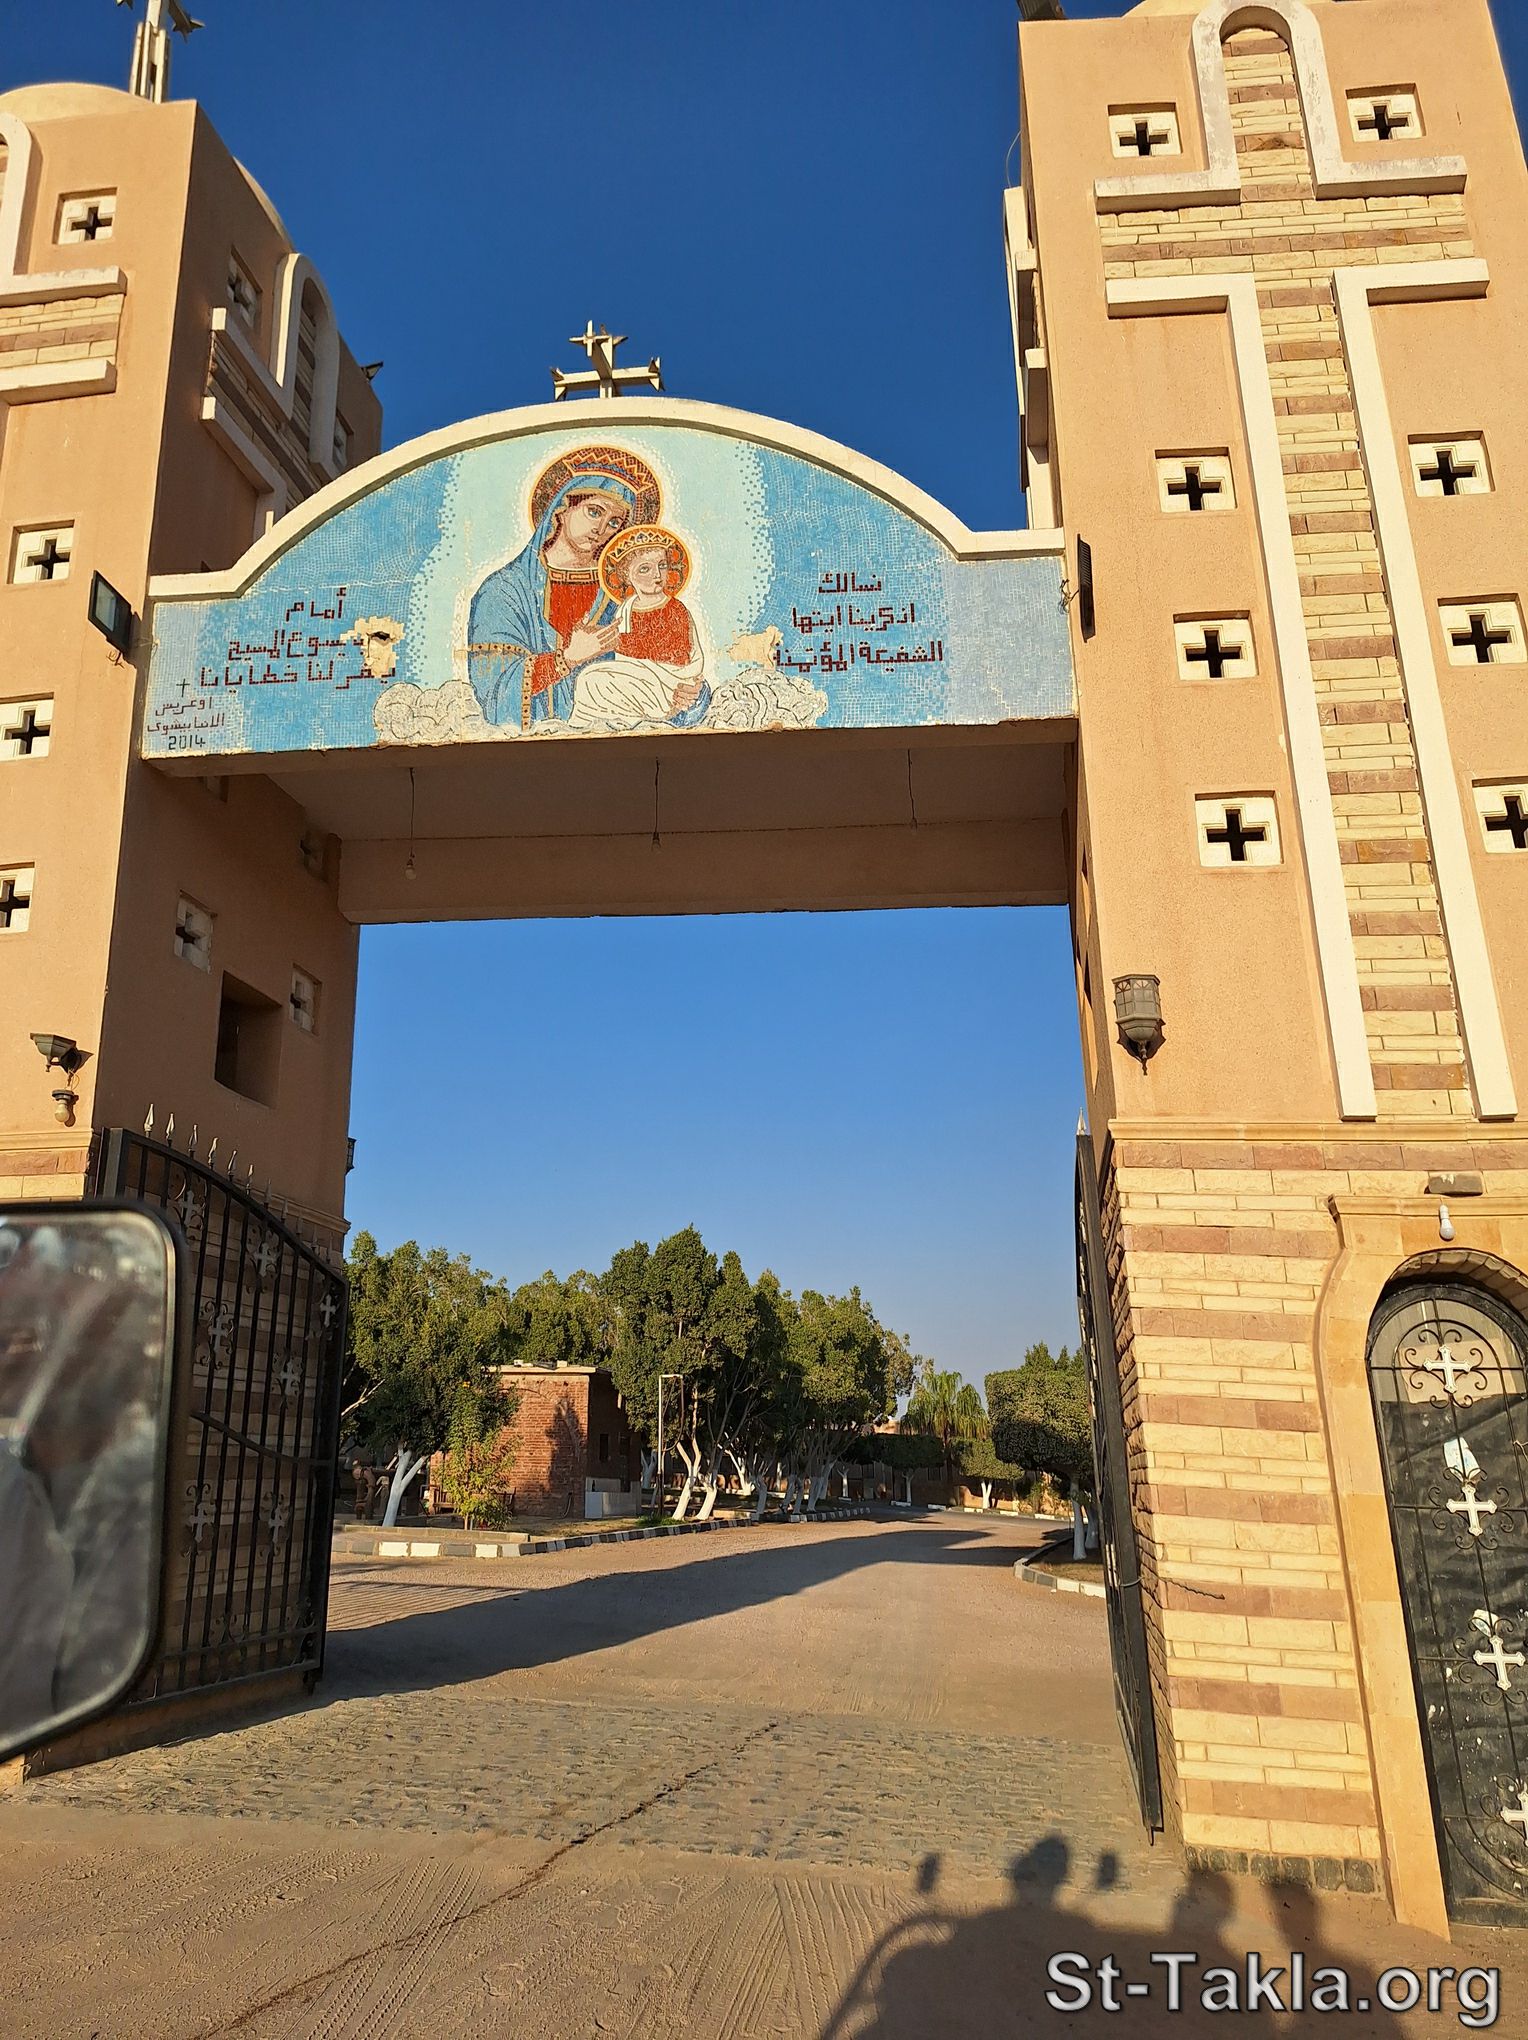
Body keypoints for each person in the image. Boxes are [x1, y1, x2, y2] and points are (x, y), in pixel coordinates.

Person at [465, 445, 659, 731]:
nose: (601, 529)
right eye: (594, 511)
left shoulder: (624, 594)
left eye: (614, 522)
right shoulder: (504, 591)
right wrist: (567, 659)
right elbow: (493, 692)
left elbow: (663, 668)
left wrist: (690, 695)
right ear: (562, 508)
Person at [566, 524, 712, 731]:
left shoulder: (674, 608)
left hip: (669, 682)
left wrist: (617, 643)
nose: (657, 575)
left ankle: (631, 723)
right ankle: (596, 725)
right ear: (627, 576)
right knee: (588, 677)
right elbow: (623, 656)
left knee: (593, 679)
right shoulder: (625, 609)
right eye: (645, 569)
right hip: (638, 676)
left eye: (662, 565)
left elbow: (678, 656)